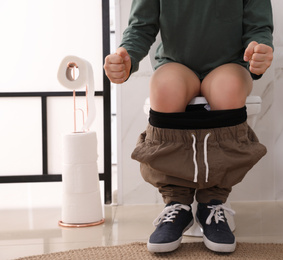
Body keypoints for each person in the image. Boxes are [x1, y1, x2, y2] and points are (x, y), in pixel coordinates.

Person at [104, 0, 273, 254]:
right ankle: (177, 203)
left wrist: (259, 50)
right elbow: (141, 27)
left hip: (230, 65)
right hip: (175, 63)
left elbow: (258, 27)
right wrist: (126, 56)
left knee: (229, 89)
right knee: (164, 88)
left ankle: (213, 202)